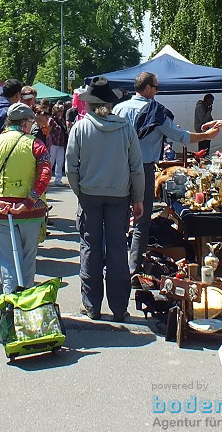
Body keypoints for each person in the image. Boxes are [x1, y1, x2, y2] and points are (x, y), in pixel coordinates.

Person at [113, 71, 219, 276]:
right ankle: (133, 267)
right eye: (156, 87)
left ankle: (116, 265)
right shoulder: (156, 112)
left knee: (119, 218)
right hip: (142, 168)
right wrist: (207, 135)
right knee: (141, 219)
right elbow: (181, 136)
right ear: (147, 89)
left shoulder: (119, 108)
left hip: (118, 168)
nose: (157, 91)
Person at [66, 78, 144, 322]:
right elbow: (136, 168)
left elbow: (70, 167)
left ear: (89, 104)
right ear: (110, 105)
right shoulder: (126, 128)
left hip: (90, 194)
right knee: (118, 249)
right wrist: (138, 198)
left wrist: (80, 191)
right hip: (119, 195)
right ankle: (120, 308)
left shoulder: (80, 128)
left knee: (90, 247)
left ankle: (92, 305)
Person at [0, 102, 51, 293]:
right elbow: (45, 173)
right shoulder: (35, 144)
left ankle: (10, 306)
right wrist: (29, 200)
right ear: (25, 123)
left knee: (7, 261)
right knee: (28, 259)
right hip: (31, 213)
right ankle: (26, 304)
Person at [47, 101, 68, 186]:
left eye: (62, 111)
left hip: (60, 143)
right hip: (53, 143)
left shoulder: (62, 120)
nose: (61, 113)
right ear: (55, 111)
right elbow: (48, 130)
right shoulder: (51, 120)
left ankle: (58, 180)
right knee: (51, 162)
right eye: (59, 111)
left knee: (60, 162)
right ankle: (46, 179)